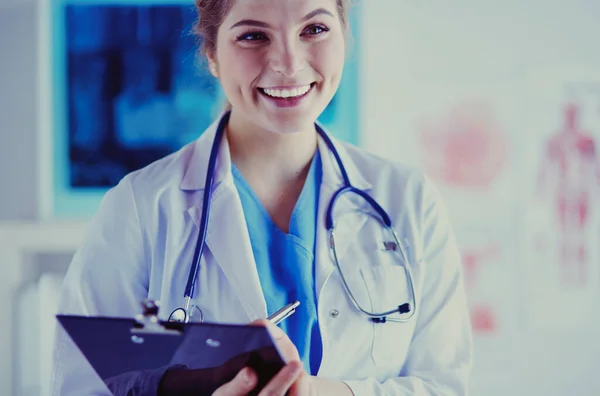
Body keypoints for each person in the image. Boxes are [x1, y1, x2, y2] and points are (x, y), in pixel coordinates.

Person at [50, 0, 473, 395]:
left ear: (345, 35)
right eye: (254, 36)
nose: (288, 64)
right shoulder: (140, 208)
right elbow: (82, 386)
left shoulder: (409, 201)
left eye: (316, 28)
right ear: (212, 54)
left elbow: (444, 385)